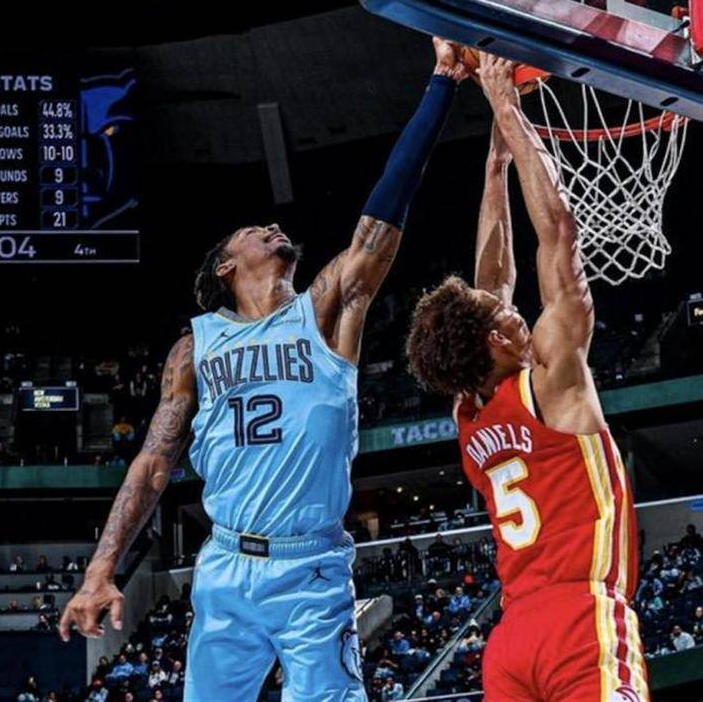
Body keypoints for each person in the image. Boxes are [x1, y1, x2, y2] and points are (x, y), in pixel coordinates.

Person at [60, 38, 470, 702]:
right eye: (254, 230)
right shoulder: (195, 347)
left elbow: (380, 223)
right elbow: (153, 464)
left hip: (312, 565)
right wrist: (100, 568)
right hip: (226, 564)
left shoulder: (325, 311)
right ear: (226, 265)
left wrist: (442, 83)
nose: (272, 227)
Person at [405, 52, 648, 702]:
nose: (513, 308)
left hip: (511, 640)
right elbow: (559, 234)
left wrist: (496, 164)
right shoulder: (551, 381)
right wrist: (505, 106)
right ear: (495, 339)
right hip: (578, 618)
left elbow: (492, 280)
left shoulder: (469, 411)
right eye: (503, 315)